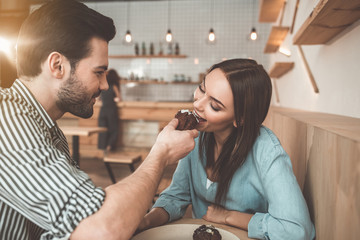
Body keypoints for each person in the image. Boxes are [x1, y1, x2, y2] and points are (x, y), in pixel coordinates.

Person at [0, 0, 198, 239]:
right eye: (98, 72)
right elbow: (101, 229)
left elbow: (81, 213)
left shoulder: (45, 127)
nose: (105, 84)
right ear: (57, 65)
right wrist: (161, 153)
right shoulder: (7, 120)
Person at [137, 59, 316, 239]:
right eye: (202, 88)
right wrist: (144, 222)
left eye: (214, 105)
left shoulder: (267, 151)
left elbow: (296, 231)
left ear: (241, 118)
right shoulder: (195, 137)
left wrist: (228, 216)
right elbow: (175, 198)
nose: (198, 104)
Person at [98, 69, 122, 152]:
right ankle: (109, 147)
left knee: (103, 130)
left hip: (103, 110)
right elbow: (119, 99)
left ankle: (103, 149)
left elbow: (99, 99)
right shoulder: (114, 86)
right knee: (114, 130)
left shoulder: (104, 87)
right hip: (111, 110)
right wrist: (115, 99)